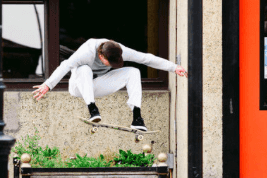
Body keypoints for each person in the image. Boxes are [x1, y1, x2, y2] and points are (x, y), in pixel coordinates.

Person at [32, 38, 187, 131]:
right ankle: (92, 109)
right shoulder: (86, 52)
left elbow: (146, 58)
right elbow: (64, 66)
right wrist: (47, 85)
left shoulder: (120, 50)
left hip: (97, 86)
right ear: (100, 55)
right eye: (109, 63)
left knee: (134, 71)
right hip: (78, 87)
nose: (112, 65)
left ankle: (137, 117)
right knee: (84, 69)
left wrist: (174, 67)